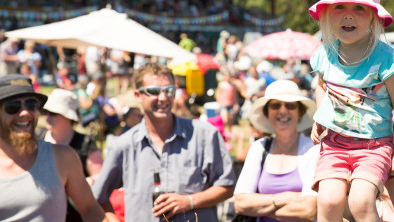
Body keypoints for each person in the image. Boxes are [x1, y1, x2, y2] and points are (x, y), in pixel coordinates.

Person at [307, 0, 394, 222]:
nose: (348, 16)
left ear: (375, 17)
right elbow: (322, 86)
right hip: (334, 143)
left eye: (359, 8)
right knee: (328, 201)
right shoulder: (325, 54)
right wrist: (320, 117)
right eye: (340, 7)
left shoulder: (387, 60)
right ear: (327, 14)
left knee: (361, 202)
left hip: (374, 146)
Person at [92, 62, 236, 222]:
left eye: (169, 91)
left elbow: (227, 186)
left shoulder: (204, 135)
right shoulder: (124, 145)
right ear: (137, 95)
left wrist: (189, 201)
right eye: (153, 91)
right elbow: (98, 198)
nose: (163, 98)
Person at [0, 74, 114, 221]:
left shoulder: (63, 157)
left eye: (31, 104)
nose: (25, 112)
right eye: (12, 107)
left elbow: (91, 209)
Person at [234, 79, 319, 222]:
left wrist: (259, 208)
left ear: (300, 111)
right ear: (267, 112)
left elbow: (309, 210)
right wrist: (283, 199)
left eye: (290, 105)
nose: (283, 111)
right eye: (275, 105)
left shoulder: (312, 150)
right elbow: (240, 203)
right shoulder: (259, 148)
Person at [36, 88, 105, 222]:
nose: (47, 117)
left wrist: (83, 182)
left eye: (53, 113)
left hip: (76, 212)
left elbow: (101, 176)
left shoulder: (84, 143)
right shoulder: (37, 138)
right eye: (45, 112)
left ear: (68, 116)